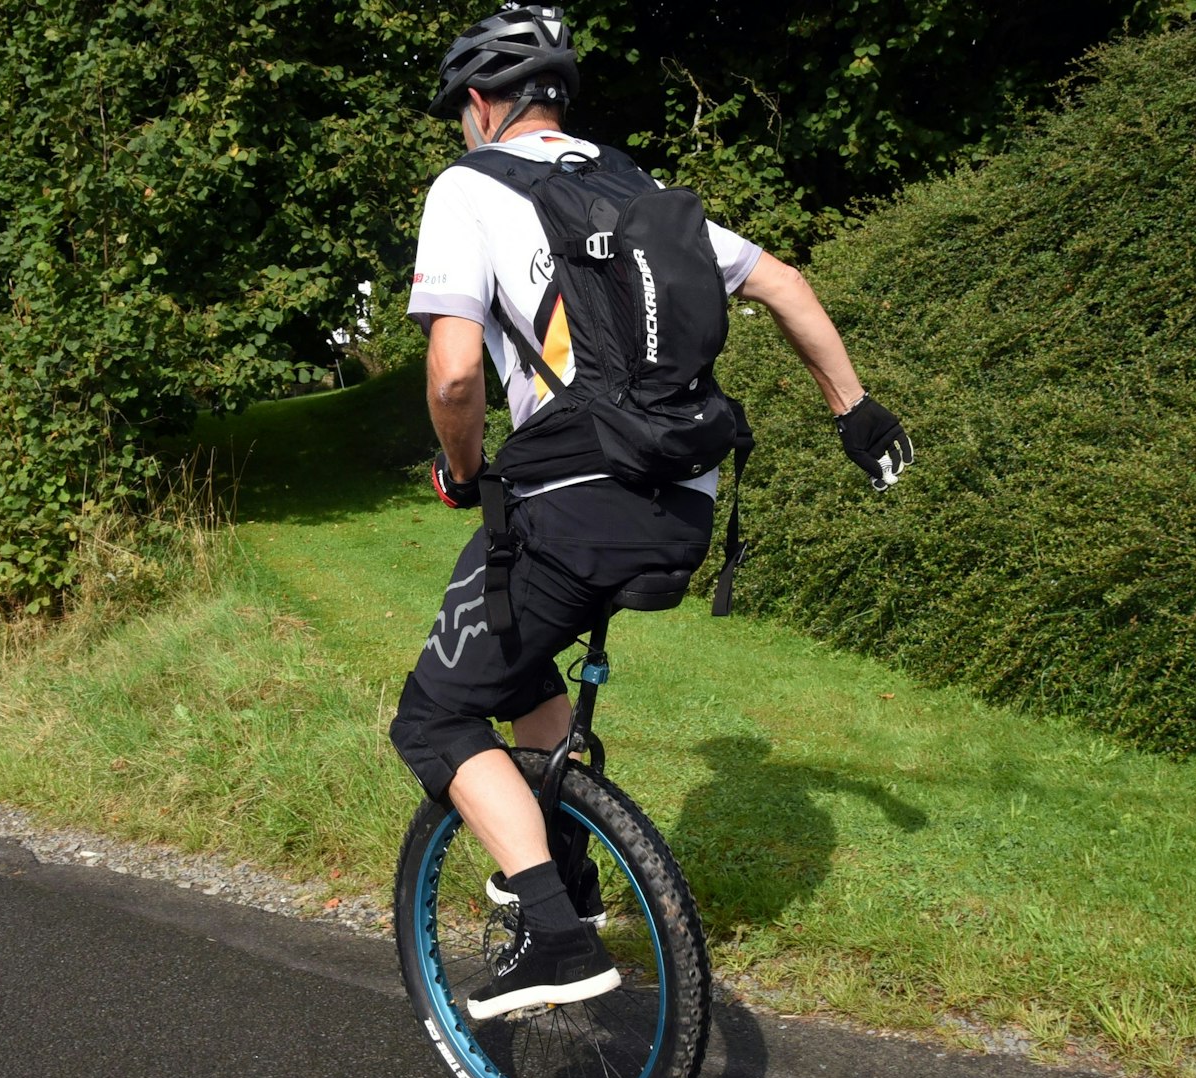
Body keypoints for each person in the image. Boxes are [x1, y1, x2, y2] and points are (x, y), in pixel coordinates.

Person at [389, 3, 914, 1021]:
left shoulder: (468, 185)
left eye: (461, 109)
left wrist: (462, 472)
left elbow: (454, 374)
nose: (462, 125)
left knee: (435, 714)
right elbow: (785, 285)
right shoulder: (635, 191)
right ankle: (570, 868)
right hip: (683, 506)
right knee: (520, 663)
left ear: (484, 102)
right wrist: (855, 411)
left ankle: (555, 932)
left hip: (573, 502)